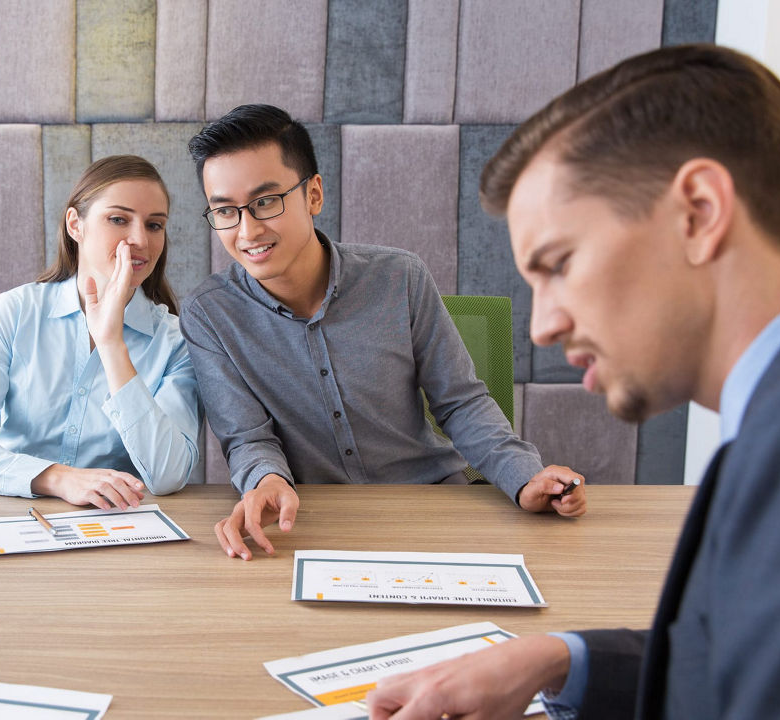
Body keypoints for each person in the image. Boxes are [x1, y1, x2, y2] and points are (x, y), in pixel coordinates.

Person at [365, 44, 780, 719]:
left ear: (697, 211)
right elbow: (738, 658)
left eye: (559, 263)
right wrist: (560, 661)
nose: (542, 325)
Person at [181, 104, 586, 561]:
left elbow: (460, 403)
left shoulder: (400, 277)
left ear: (313, 194)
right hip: (315, 524)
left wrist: (524, 476)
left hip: (433, 504)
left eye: (266, 202)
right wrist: (267, 481)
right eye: (225, 211)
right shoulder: (209, 314)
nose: (248, 229)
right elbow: (247, 437)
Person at [0, 155, 200, 510]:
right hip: (11, 515)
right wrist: (58, 478)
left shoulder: (175, 342)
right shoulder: (15, 312)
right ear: (76, 224)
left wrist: (111, 344)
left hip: (116, 529)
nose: (140, 240)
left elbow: (168, 475)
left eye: (154, 225)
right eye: (118, 219)